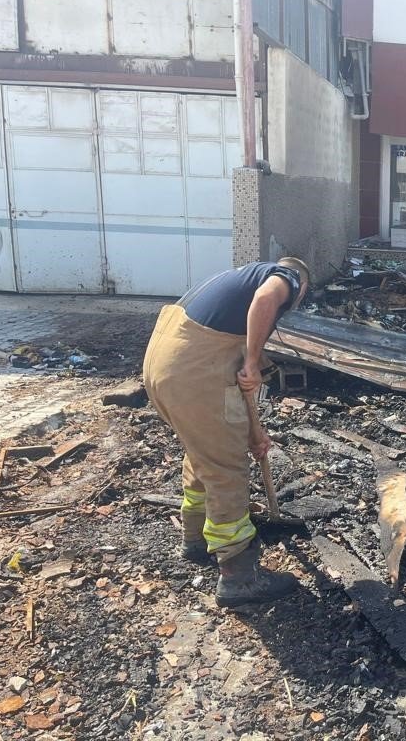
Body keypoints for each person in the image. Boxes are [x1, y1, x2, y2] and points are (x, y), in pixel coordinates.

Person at [143, 257, 310, 607]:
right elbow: (266, 300)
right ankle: (238, 577)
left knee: (205, 452)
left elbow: (235, 388)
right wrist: (252, 360)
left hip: (167, 365)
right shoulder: (288, 277)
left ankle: (196, 539)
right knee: (226, 469)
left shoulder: (234, 286)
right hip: (193, 371)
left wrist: (255, 433)